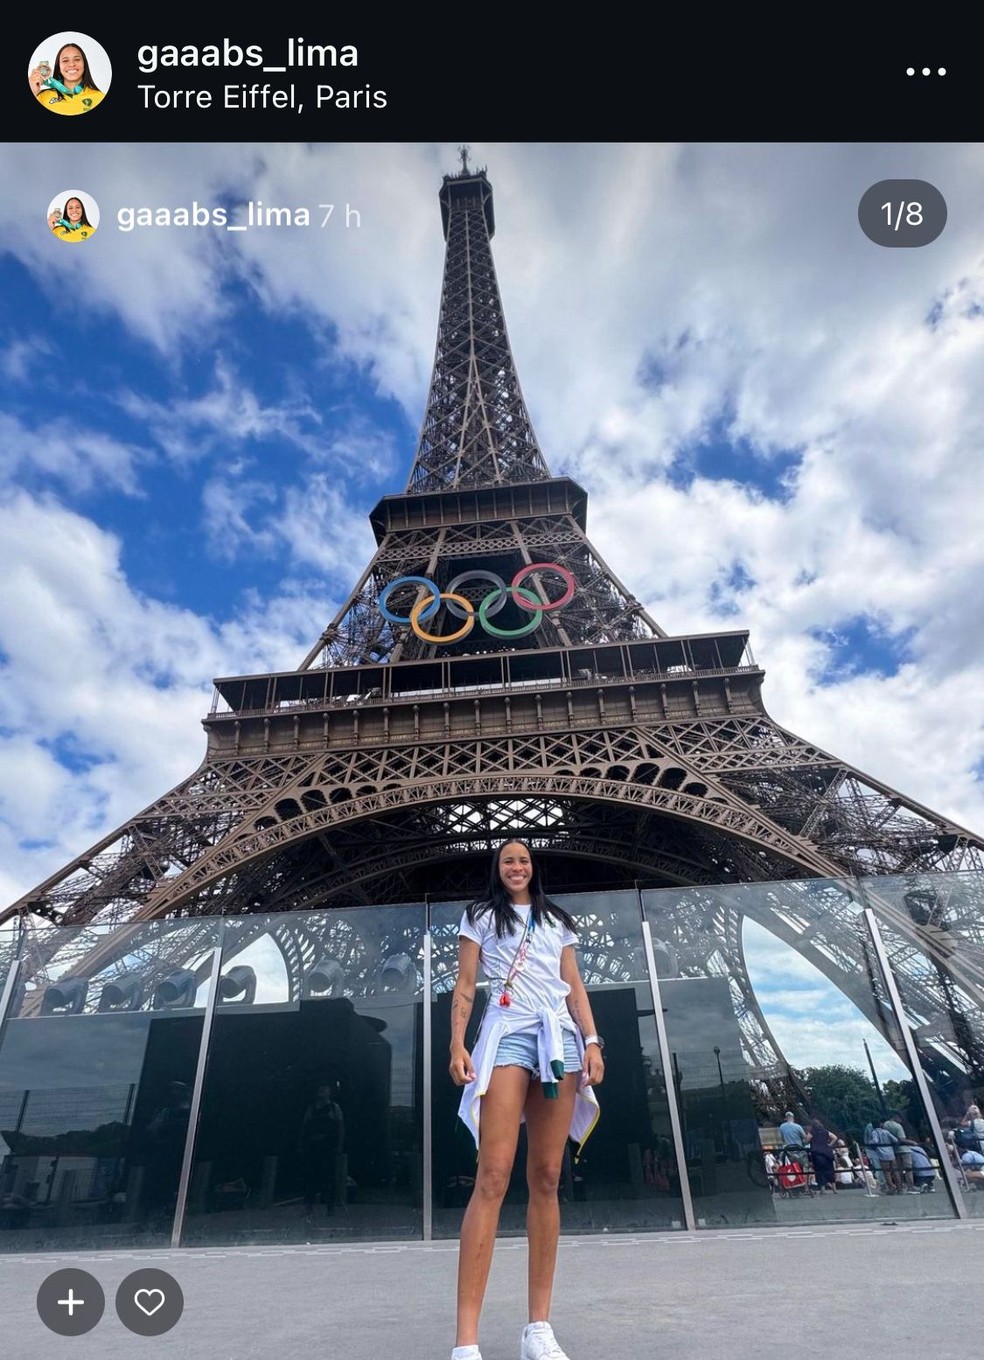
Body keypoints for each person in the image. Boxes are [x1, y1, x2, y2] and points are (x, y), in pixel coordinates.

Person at [448, 839, 604, 1360]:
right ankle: (466, 1340)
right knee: (492, 1176)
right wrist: (457, 1042)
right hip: (509, 1032)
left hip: (559, 1038)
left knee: (547, 1177)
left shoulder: (556, 919)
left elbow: (574, 985)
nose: (517, 867)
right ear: (497, 869)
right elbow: (467, 985)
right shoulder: (480, 916)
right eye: (507, 860)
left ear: (534, 868)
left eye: (524, 860)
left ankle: (538, 1327)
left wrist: (593, 1041)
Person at [299, 1083, 345, 1219]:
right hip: (313, 1147)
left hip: (327, 1147)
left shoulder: (334, 1108)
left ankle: (330, 1208)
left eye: (325, 1090)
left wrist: (339, 1146)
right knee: (310, 1177)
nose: (322, 1092)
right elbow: (304, 1127)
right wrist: (301, 1145)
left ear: (329, 1092)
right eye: (320, 1089)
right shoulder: (311, 1108)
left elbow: (341, 1127)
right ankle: (309, 1208)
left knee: (329, 1178)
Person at [30, 42, 105, 115]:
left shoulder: (100, 97)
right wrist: (33, 92)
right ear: (59, 67)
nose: (72, 64)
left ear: (84, 64)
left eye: (77, 59)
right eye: (65, 60)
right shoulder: (42, 97)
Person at [806, 1116, 837, 1192]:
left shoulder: (812, 1132)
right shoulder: (825, 1131)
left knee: (819, 1171)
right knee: (830, 1170)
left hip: (817, 1153)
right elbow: (834, 1137)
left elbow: (806, 1140)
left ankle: (823, 1189)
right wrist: (830, 1144)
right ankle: (834, 1189)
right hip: (827, 1152)